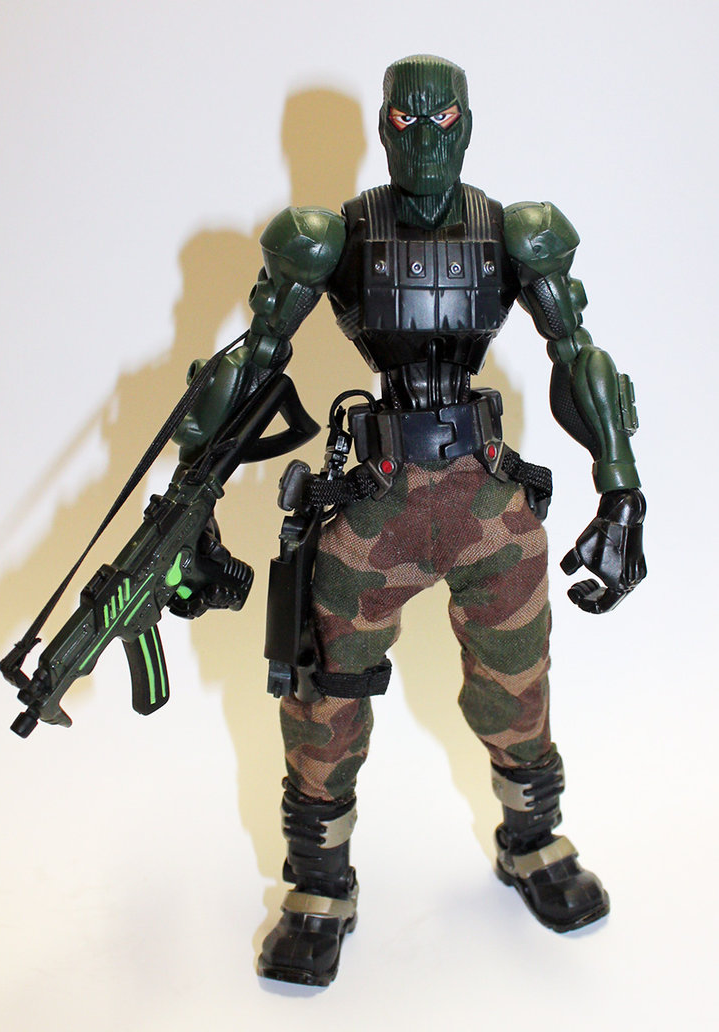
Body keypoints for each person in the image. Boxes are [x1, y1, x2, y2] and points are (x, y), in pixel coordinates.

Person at [175, 53, 646, 986]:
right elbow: (255, 359)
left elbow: (580, 355)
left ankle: (532, 841)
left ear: (468, 125)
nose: (423, 142)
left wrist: (622, 486)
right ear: (382, 128)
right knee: (325, 695)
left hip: (484, 497)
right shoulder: (332, 237)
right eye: (403, 121)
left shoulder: (517, 232)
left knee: (518, 683)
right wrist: (195, 492)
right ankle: (319, 884)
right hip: (377, 499)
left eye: (442, 122)